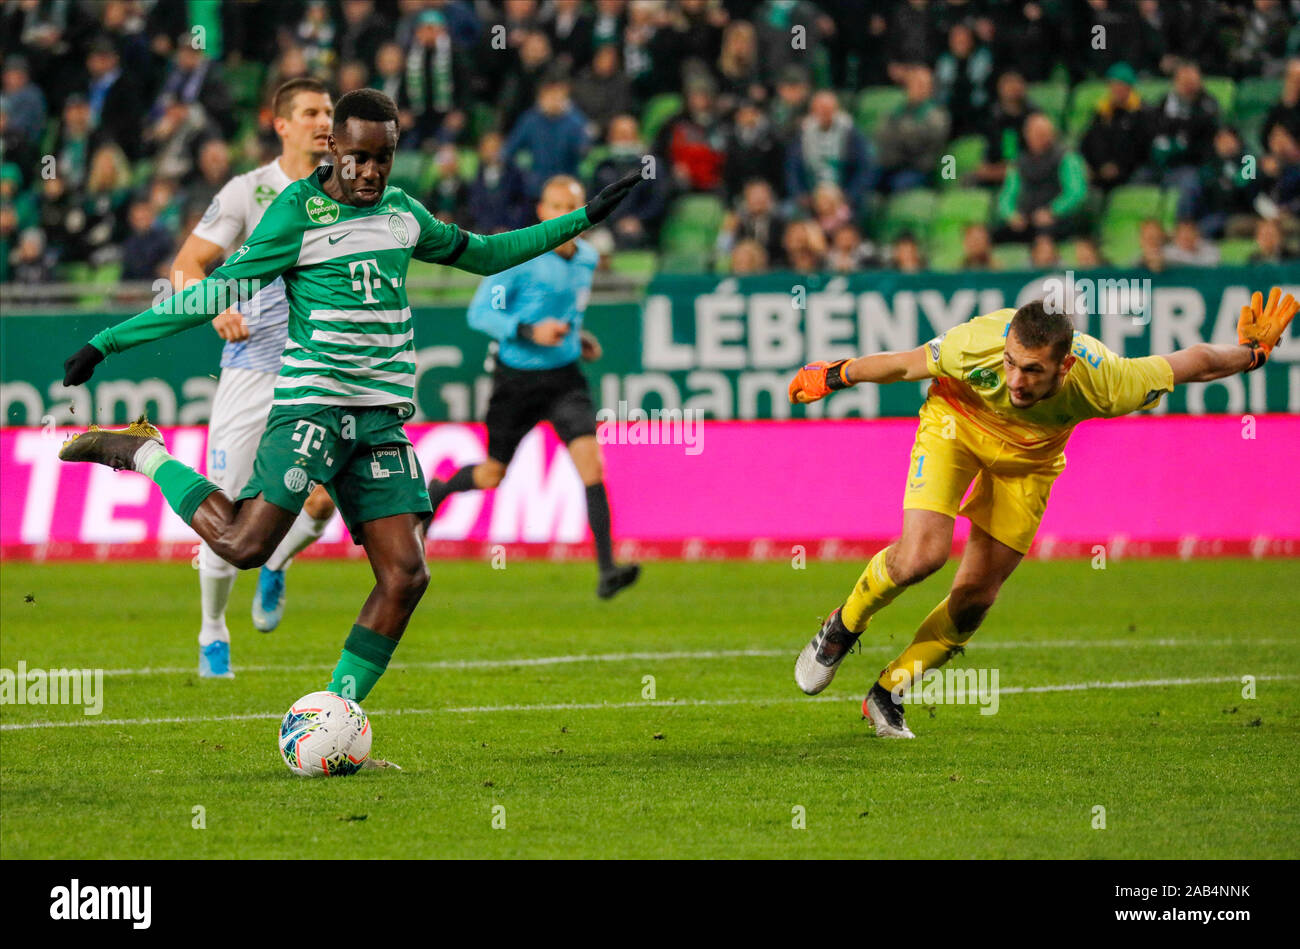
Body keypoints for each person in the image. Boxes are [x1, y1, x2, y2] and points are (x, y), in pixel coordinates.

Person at [57, 90, 643, 713]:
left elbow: (486, 253)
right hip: (312, 408)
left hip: (380, 422)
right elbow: (211, 292)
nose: (368, 172)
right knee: (244, 546)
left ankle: (333, 716)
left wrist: (582, 219)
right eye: (357, 157)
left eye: (383, 159)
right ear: (333, 147)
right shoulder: (296, 213)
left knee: (406, 576)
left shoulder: (401, 213)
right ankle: (144, 453)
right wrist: (107, 342)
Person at [788, 288, 1298, 737]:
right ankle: (843, 626)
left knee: (975, 599)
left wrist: (1252, 354)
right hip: (957, 426)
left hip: (1029, 461)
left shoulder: (1108, 381)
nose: (1015, 379)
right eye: (1011, 361)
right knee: (922, 556)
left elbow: (1195, 362)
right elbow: (904, 364)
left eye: (1032, 370)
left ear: (1065, 366)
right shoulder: (977, 343)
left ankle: (888, 692)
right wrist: (835, 374)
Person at [165, 78, 337, 677]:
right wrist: (215, 305)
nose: (324, 122)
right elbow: (188, 265)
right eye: (312, 112)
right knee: (229, 518)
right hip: (252, 373)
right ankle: (213, 629)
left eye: (330, 113)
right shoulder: (248, 191)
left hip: (321, 374)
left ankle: (279, 562)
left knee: (321, 500)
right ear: (281, 124)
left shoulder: (346, 190)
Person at [427, 175, 641, 600]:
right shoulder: (522, 257)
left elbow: (566, 311)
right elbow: (480, 314)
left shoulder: (587, 259)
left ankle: (607, 570)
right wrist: (527, 330)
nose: (565, 216)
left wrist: (577, 338)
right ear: (541, 212)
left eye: (573, 207)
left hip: (565, 379)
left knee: (592, 466)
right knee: (492, 475)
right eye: (556, 206)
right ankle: (439, 489)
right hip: (516, 381)